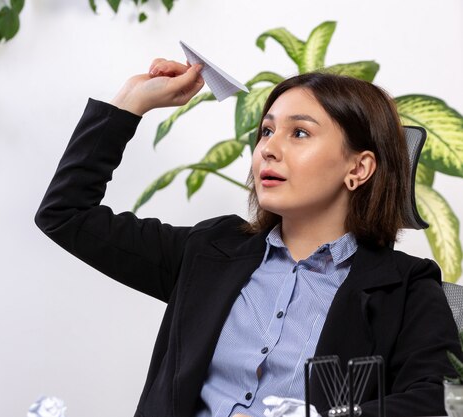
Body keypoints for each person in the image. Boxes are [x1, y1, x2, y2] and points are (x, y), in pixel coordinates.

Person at [35, 58, 460, 417]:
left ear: (359, 169)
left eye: (299, 133)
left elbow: (434, 400)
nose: (269, 149)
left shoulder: (405, 287)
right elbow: (66, 214)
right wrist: (130, 104)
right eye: (267, 132)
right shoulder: (210, 251)